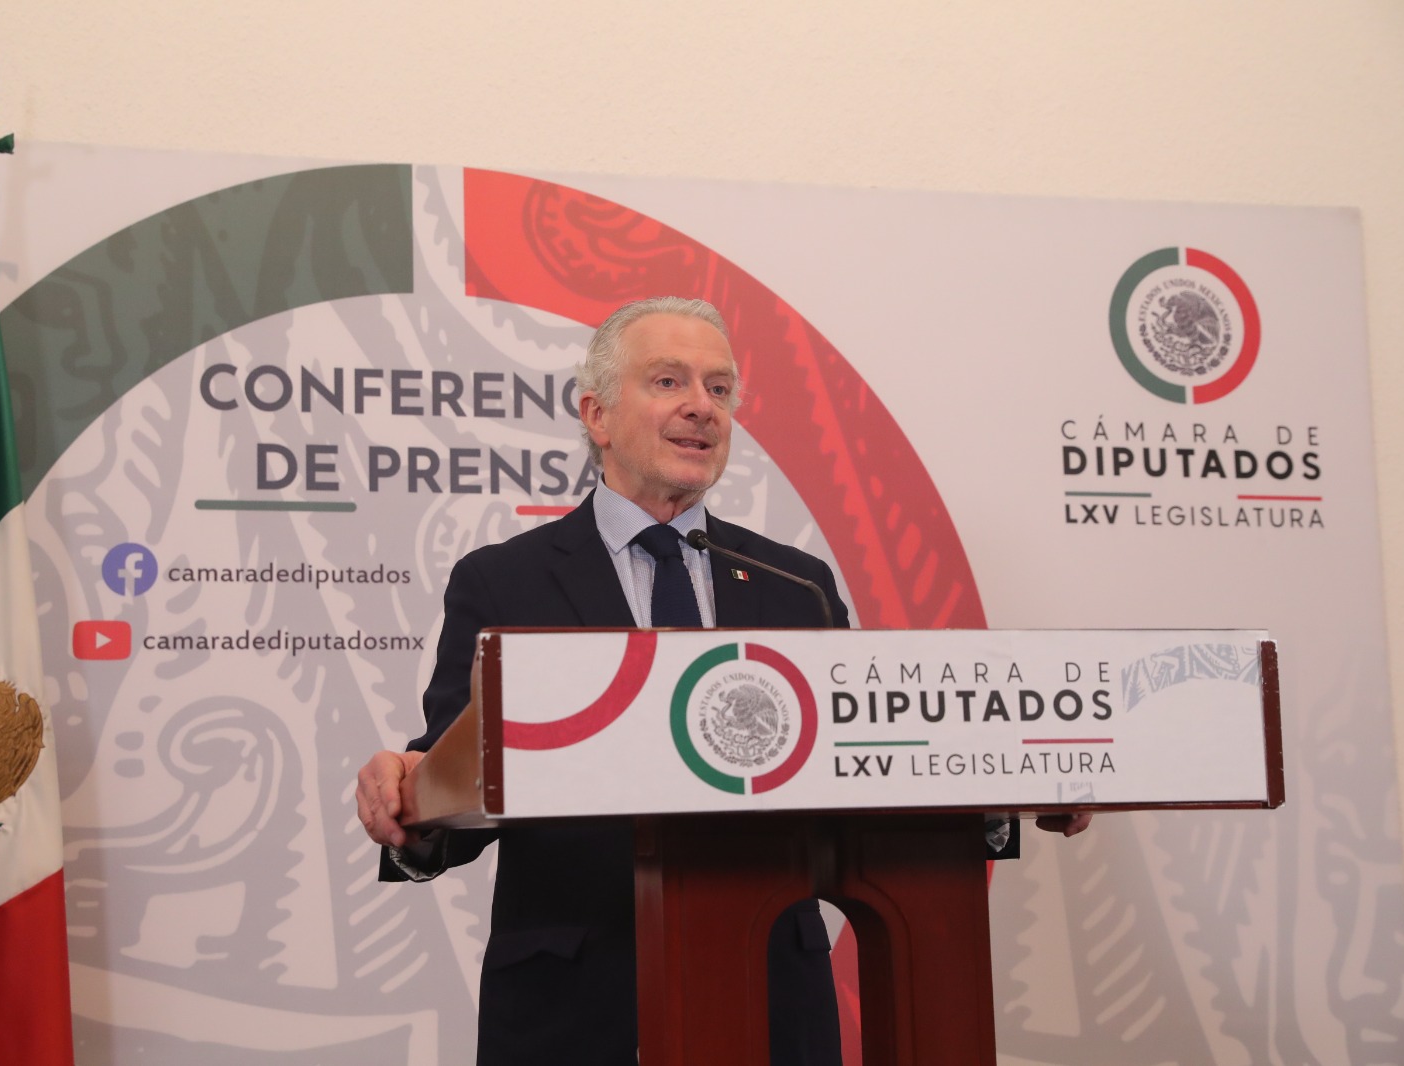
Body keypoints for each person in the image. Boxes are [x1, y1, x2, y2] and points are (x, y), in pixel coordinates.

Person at [355, 296, 1089, 1065]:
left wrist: (1004, 787)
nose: (702, 407)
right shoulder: (504, 581)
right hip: (574, 1010)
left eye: (719, 388)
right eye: (668, 381)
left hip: (774, 1004)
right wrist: (406, 795)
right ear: (598, 415)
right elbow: (455, 779)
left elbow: (861, 774)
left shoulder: (795, 587)